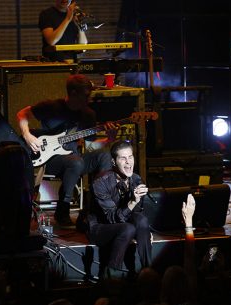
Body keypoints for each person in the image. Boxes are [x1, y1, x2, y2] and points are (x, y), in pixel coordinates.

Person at [17, 74, 116, 228]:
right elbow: (22, 114)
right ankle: (62, 211)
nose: (88, 99)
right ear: (74, 93)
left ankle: (99, 207)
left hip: (74, 158)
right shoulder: (52, 107)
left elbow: (90, 146)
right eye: (86, 95)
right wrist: (27, 135)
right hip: (50, 160)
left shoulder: (88, 115)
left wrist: (109, 140)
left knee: (104, 156)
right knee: (76, 162)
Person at [87, 140, 152, 278]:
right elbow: (111, 219)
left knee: (142, 220)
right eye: (123, 158)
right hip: (100, 227)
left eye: (130, 157)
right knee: (128, 228)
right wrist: (133, 202)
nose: (128, 163)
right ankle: (110, 275)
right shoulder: (100, 183)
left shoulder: (135, 179)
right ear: (113, 161)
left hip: (124, 223)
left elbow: (136, 214)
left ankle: (148, 270)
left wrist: (144, 230)